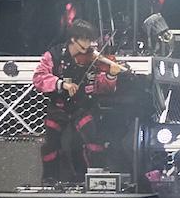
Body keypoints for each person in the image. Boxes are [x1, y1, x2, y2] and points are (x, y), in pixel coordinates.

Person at [32, 19, 119, 182]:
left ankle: (93, 178)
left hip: (83, 106)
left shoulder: (94, 59)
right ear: (73, 39)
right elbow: (38, 78)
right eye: (85, 39)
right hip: (58, 106)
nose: (89, 44)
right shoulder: (53, 55)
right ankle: (50, 179)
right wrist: (61, 84)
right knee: (50, 144)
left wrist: (111, 75)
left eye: (91, 39)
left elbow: (103, 88)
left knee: (92, 137)